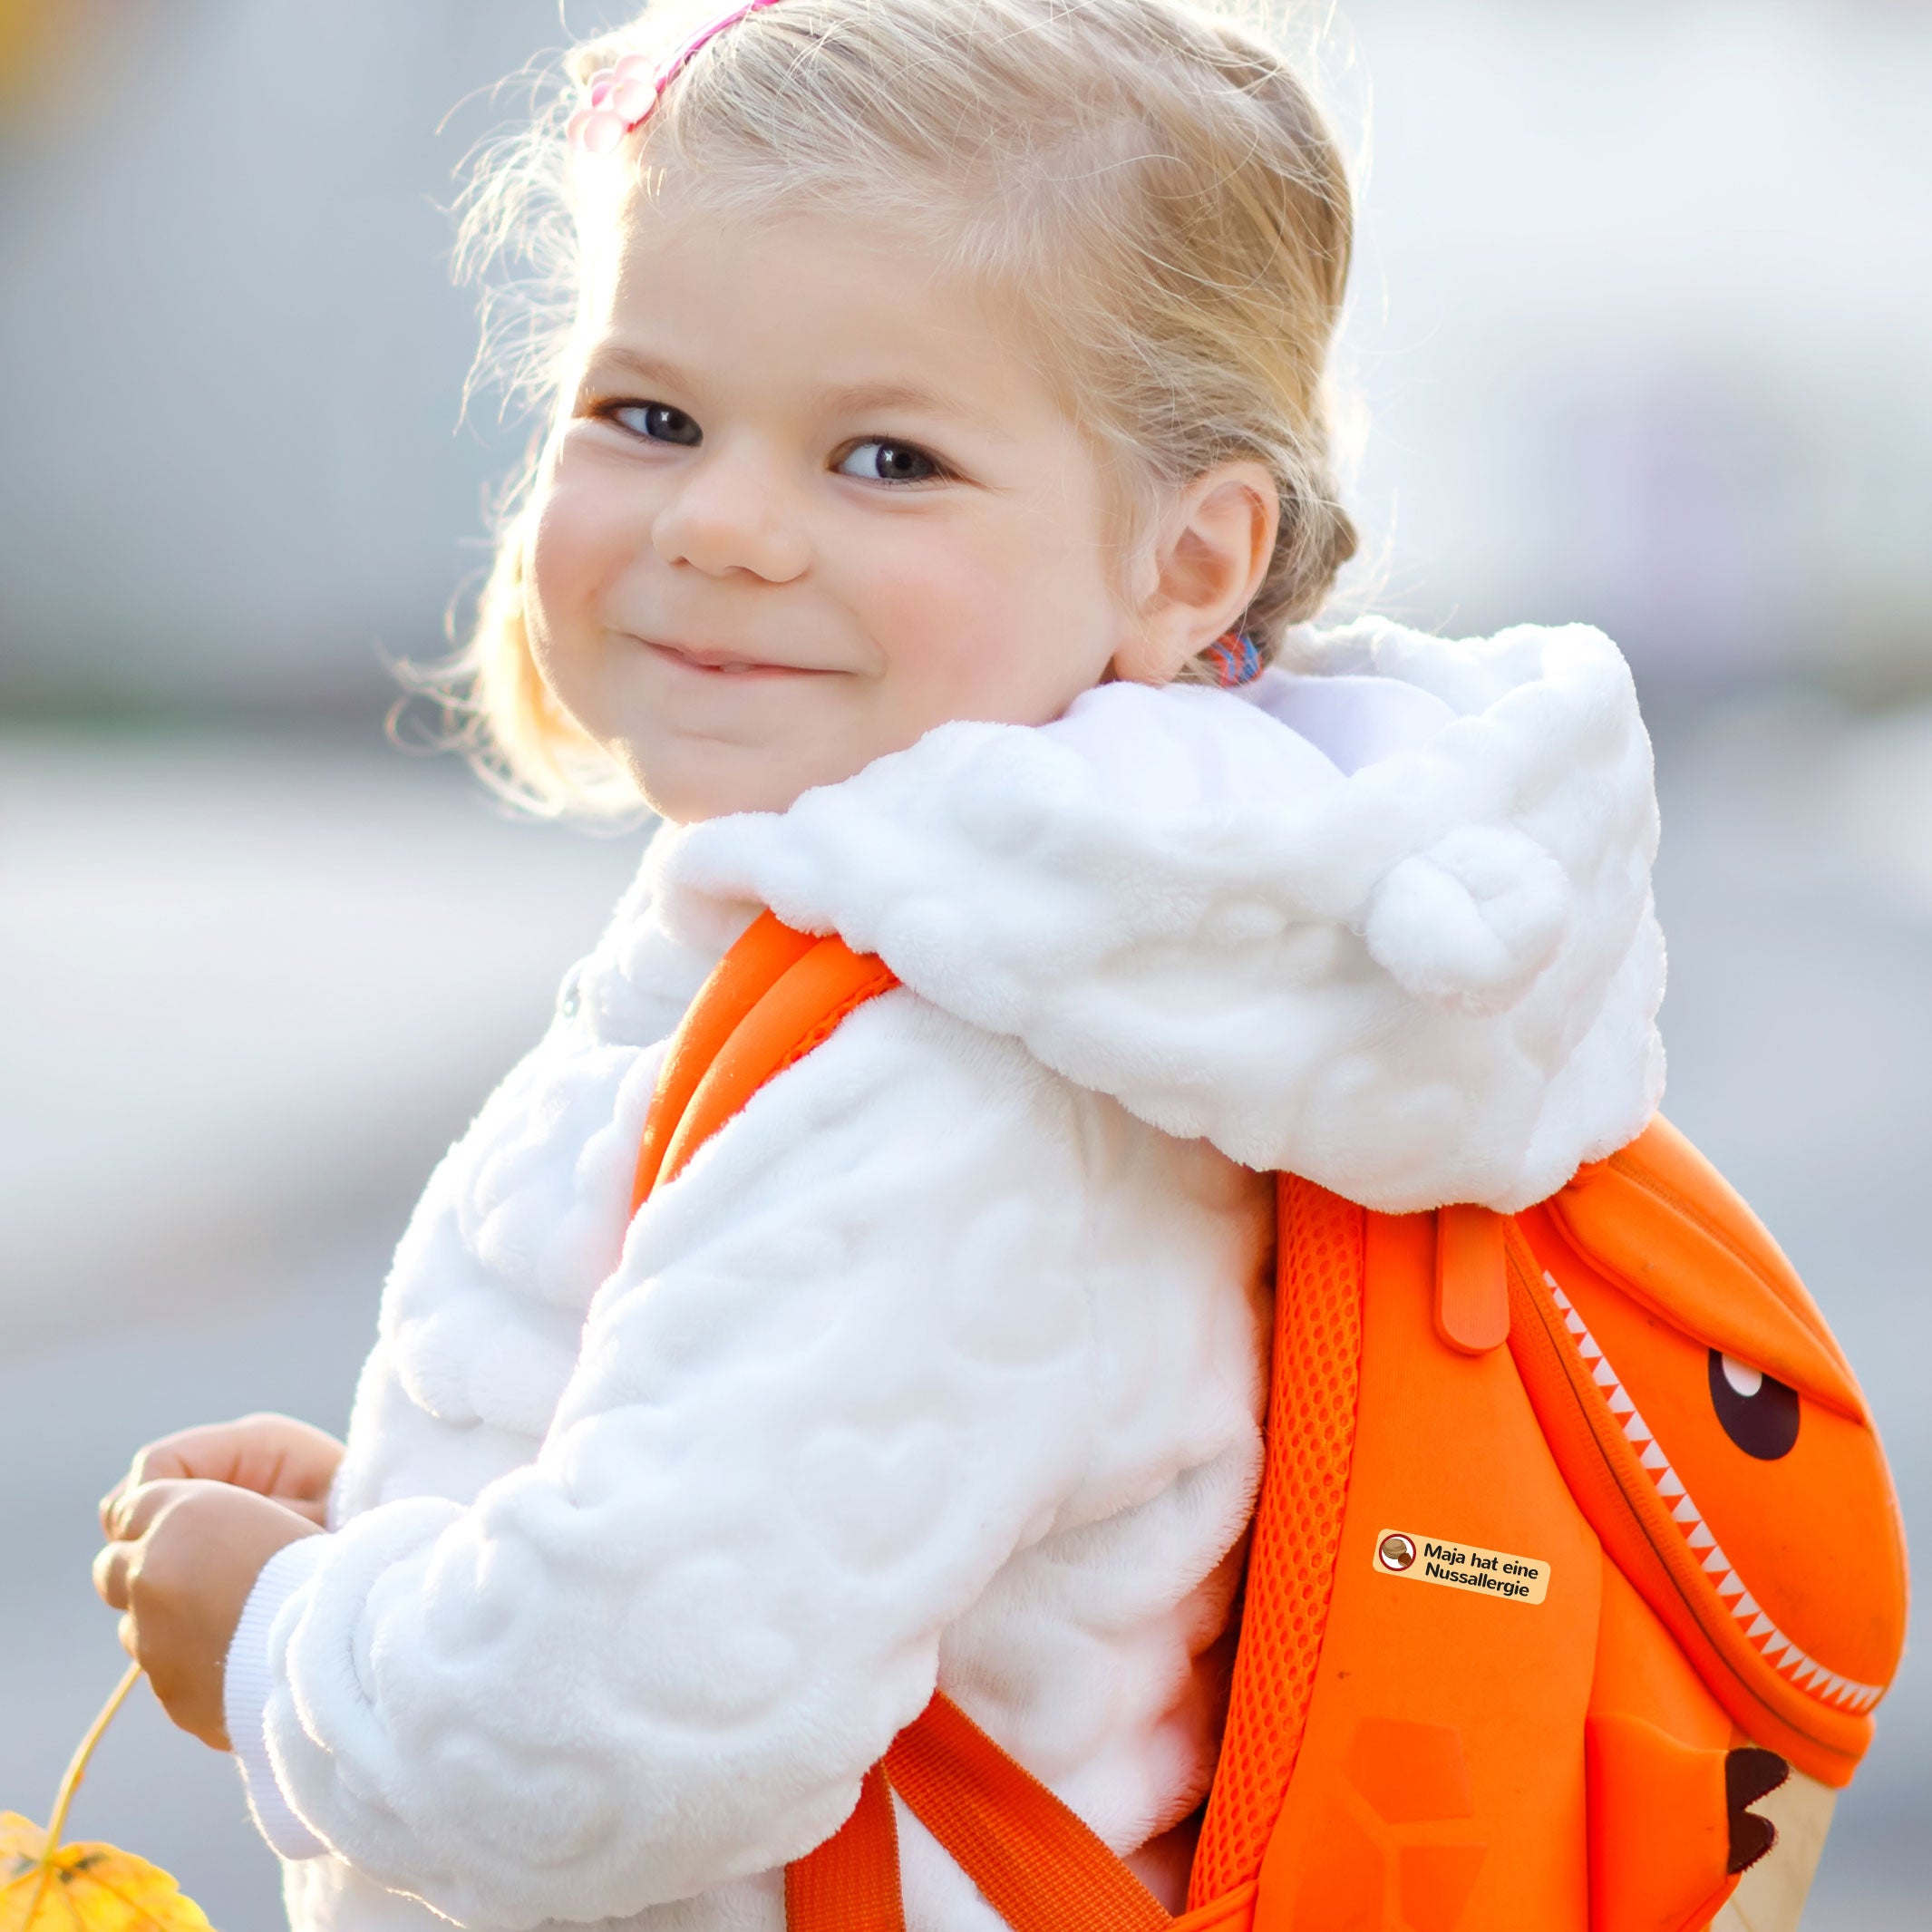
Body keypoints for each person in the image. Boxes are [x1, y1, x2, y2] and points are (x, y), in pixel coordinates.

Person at [90, 2, 1852, 1927]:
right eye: (651, 416)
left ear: (1188, 564)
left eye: (888, 457)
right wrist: (406, 1534)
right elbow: (824, 1562)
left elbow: (627, 1735)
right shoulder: (1007, 975)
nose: (724, 522)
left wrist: (281, 1636)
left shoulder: (956, 1077)